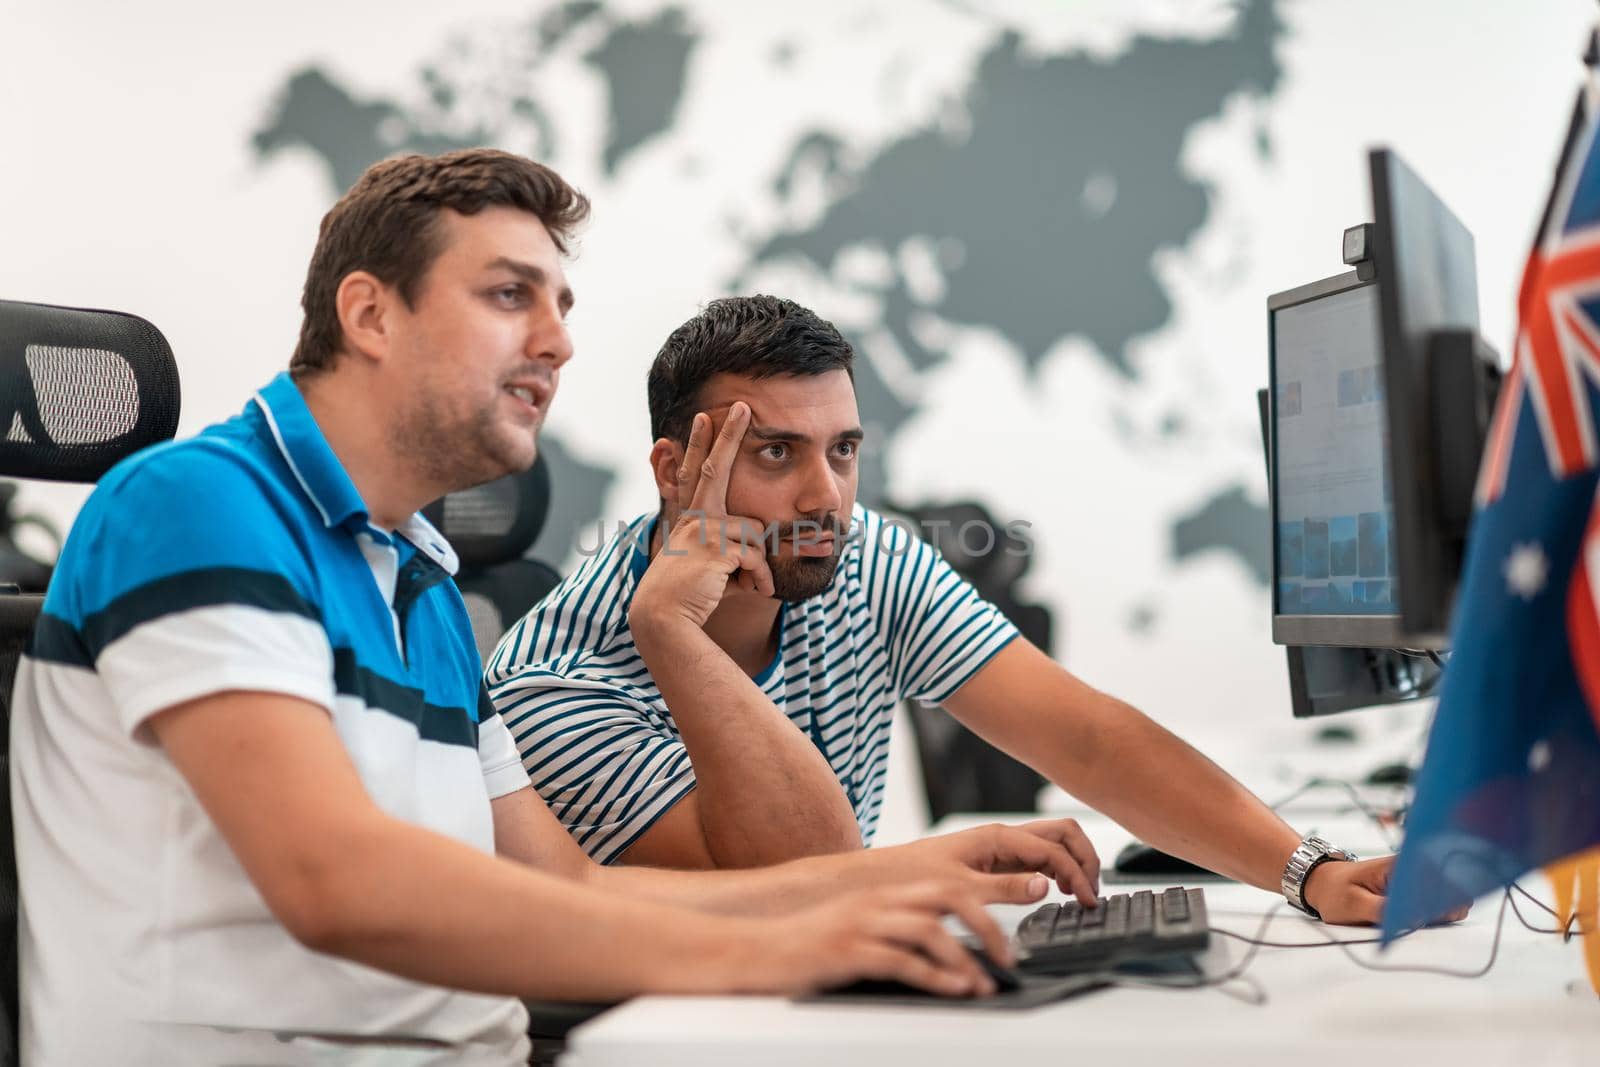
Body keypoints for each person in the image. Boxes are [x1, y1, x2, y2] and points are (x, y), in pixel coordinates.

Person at [8, 152, 1100, 1066]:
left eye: (560, 304)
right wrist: (785, 946)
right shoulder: (196, 503)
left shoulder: (421, 585)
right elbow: (333, 881)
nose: (558, 339)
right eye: (507, 294)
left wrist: (906, 878)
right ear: (369, 311)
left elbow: (569, 885)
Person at [488, 294, 1456, 928]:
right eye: (776, 452)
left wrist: (1310, 871)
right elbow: (804, 874)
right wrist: (671, 635)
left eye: (842, 448)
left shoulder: (855, 553)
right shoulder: (555, 688)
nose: (825, 494)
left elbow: (1086, 738)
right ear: (673, 471)